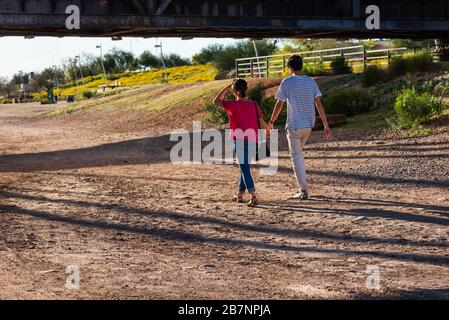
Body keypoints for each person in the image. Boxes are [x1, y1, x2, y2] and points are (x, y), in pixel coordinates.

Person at [269, 55, 332, 200]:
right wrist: (325, 124)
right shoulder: (311, 82)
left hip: (294, 126)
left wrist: (272, 121)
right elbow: (319, 104)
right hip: (308, 126)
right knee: (298, 155)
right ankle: (302, 187)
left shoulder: (287, 82)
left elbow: (279, 104)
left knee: (296, 157)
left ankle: (303, 191)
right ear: (301, 66)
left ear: (289, 67)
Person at [213, 79, 270, 207]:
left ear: (234, 91)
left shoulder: (231, 104)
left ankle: (253, 196)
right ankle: (239, 194)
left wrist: (227, 88)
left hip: (239, 141)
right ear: (246, 89)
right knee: (244, 168)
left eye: (232, 89)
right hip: (253, 141)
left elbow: (215, 101)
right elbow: (261, 122)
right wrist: (267, 130)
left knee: (244, 168)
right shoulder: (254, 104)